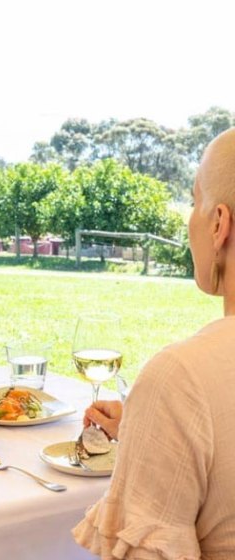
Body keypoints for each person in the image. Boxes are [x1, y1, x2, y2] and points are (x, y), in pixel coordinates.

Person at [73, 128, 235, 558]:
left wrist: (165, 408)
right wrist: (148, 430)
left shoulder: (182, 376)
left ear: (220, 223)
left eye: (193, 201)